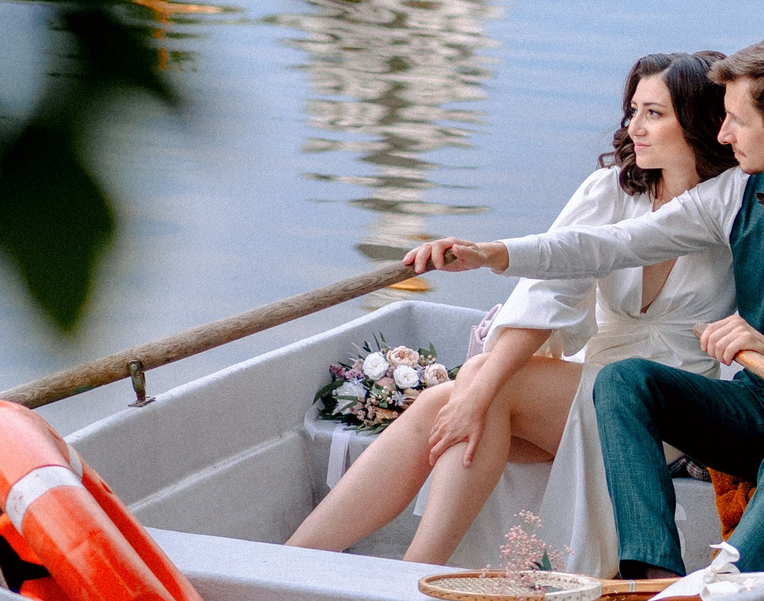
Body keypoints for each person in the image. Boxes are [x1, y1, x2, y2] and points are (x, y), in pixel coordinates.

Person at [405, 34, 764, 578]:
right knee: (626, 380)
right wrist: (493, 253)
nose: (722, 135)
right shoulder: (734, 194)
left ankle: (724, 587)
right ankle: (651, 571)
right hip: (761, 411)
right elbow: (613, 242)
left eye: (734, 121)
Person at [290, 52, 739, 570]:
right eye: (632, 110)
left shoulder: (735, 206)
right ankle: (308, 564)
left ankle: (409, 573)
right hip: (592, 378)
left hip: (669, 403)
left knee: (476, 390)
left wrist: (476, 391)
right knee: (450, 401)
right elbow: (547, 293)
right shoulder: (612, 189)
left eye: (654, 114)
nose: (633, 127)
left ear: (701, 122)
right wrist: (472, 393)